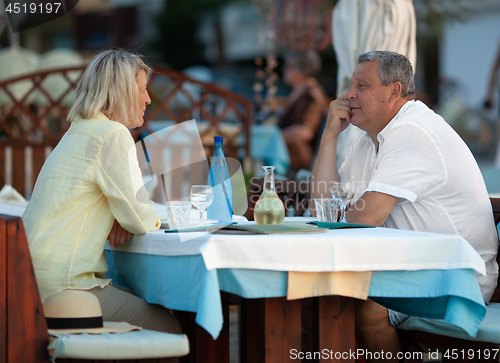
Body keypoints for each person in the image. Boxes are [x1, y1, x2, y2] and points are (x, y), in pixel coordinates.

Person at [311, 51, 498, 362]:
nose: (349, 95)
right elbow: (322, 206)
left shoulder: (413, 131)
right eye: (351, 85)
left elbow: (364, 217)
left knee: (358, 304)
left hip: (457, 279)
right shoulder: (367, 137)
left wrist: (339, 211)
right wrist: (330, 136)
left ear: (394, 91)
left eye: (362, 85)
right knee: (316, 295)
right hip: (410, 269)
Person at [22, 49, 181, 335]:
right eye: (143, 91)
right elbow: (140, 219)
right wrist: (127, 215)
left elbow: (125, 210)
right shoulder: (113, 135)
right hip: (67, 289)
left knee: (138, 304)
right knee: (170, 328)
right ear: (121, 93)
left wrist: (121, 213)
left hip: (30, 282)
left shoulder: (76, 131)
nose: (148, 99)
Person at [278, 50, 327, 175]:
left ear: (301, 71)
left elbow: (305, 132)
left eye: (289, 66)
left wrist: (275, 138)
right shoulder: (300, 93)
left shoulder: (311, 96)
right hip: (288, 158)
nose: (284, 70)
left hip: (298, 163)